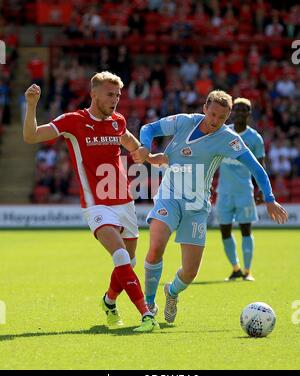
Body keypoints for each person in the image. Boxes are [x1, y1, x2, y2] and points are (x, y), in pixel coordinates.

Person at [131, 90, 288, 324]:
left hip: (197, 204)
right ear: (205, 108)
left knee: (190, 271)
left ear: (227, 118)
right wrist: (145, 147)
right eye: (213, 114)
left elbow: (256, 167)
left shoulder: (228, 138)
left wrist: (269, 197)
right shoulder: (185, 121)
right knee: (156, 246)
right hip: (169, 195)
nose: (215, 121)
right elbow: (149, 128)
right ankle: (149, 304)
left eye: (222, 118)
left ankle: (171, 293)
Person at [23, 71, 159, 333]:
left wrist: (147, 154)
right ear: (93, 94)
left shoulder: (118, 121)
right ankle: (146, 314)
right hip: (96, 204)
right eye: (110, 94)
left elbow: (134, 146)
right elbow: (31, 136)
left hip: (124, 201)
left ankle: (109, 302)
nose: (116, 100)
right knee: (120, 255)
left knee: (127, 263)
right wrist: (31, 106)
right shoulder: (73, 121)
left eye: (118, 95)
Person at [216, 97, 266, 282]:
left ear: (249, 114)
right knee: (225, 230)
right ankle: (235, 268)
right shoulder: (223, 133)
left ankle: (247, 271)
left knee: (246, 229)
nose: (240, 113)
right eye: (237, 109)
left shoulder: (255, 138)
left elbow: (260, 166)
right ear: (231, 112)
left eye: (244, 110)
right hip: (224, 192)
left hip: (245, 192)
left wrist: (261, 189)